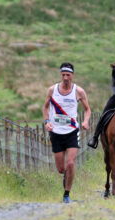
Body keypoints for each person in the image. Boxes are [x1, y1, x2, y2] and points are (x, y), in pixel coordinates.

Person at [42, 62, 91, 204]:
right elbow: (45, 108)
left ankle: (67, 194)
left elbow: (88, 109)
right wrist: (47, 122)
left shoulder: (79, 91)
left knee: (70, 163)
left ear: (72, 76)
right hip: (56, 132)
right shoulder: (52, 90)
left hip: (72, 132)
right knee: (61, 169)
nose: (65, 77)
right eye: (63, 75)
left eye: (68, 75)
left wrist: (86, 121)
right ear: (60, 75)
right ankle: (66, 176)